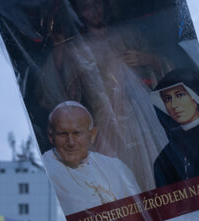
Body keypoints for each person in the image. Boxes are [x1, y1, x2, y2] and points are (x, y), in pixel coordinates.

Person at [41, 0, 170, 191]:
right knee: (119, 185)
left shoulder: (127, 34)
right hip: (106, 126)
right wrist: (59, 51)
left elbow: (167, 69)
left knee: (156, 176)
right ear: (77, 14)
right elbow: (55, 91)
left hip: (143, 118)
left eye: (97, 4)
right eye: (86, 7)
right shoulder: (75, 50)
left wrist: (146, 59)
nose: (95, 11)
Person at [41, 101, 142, 214]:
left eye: (77, 133)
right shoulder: (42, 173)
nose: (71, 142)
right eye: (63, 134)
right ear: (51, 136)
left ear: (92, 135)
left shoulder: (115, 166)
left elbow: (141, 212)